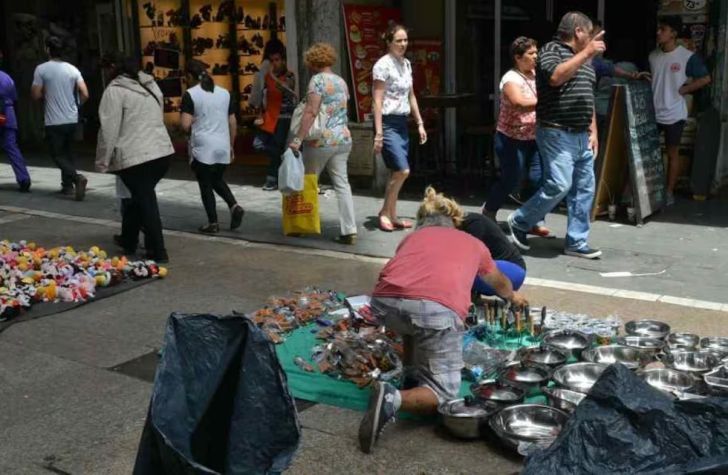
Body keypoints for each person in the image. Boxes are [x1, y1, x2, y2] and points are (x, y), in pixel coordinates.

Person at [358, 187, 527, 454]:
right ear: (455, 221)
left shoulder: (412, 239)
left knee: (411, 321)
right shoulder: (473, 243)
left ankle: (412, 373)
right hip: (435, 311)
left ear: (422, 221)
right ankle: (392, 398)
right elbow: (498, 282)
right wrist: (513, 297)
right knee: (445, 393)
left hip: (383, 305)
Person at [506, 12, 605, 259]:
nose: (592, 38)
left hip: (582, 135)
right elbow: (555, 77)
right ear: (579, 32)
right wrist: (587, 53)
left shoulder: (584, 60)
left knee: (584, 189)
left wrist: (594, 131)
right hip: (556, 131)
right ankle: (519, 220)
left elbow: (586, 97)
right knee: (560, 184)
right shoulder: (552, 50)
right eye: (590, 32)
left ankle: (576, 241)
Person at [95, 55, 174, 263]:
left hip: (135, 157)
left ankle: (158, 250)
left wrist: (102, 160)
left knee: (145, 200)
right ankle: (129, 240)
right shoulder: (152, 86)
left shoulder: (114, 91)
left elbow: (108, 130)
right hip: (162, 152)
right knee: (139, 197)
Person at [483, 36, 552, 239]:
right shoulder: (510, 79)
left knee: (537, 179)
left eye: (536, 52)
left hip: (535, 136)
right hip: (511, 138)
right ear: (518, 57)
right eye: (531, 53)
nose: (535, 56)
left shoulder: (537, 75)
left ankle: (533, 220)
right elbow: (519, 102)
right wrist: (546, 101)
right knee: (511, 179)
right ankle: (489, 211)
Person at [289, 43, 357, 244]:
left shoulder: (316, 81)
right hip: (343, 139)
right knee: (342, 184)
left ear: (312, 62)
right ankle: (349, 230)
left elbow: (311, 111)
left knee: (309, 181)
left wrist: (298, 139)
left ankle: (302, 225)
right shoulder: (341, 82)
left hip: (320, 141)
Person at [649, 16, 711, 206]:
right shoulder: (653, 56)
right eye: (659, 29)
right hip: (653, 112)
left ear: (674, 33)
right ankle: (648, 191)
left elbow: (705, 78)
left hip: (675, 113)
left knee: (672, 152)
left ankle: (668, 192)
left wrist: (684, 89)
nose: (659, 32)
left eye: (663, 29)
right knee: (649, 153)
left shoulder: (687, 56)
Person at [372, 24, 427, 232]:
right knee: (403, 170)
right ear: (389, 42)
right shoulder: (382, 65)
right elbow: (377, 100)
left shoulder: (406, 64)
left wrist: (419, 122)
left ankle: (392, 214)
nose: (403, 44)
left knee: (398, 171)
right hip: (387, 122)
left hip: (402, 122)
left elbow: (411, 95)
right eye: (399, 40)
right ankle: (385, 212)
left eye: (405, 40)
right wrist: (378, 133)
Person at [180, 60, 245, 234]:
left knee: (206, 185)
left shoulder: (190, 94)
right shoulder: (224, 93)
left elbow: (185, 125)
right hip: (222, 145)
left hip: (202, 148)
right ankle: (234, 206)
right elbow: (232, 122)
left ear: (190, 76)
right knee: (216, 179)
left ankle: (213, 222)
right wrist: (231, 145)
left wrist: (193, 120)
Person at [31, 36, 89, 200]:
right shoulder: (72, 69)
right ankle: (67, 186)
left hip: (54, 120)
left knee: (57, 154)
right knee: (68, 152)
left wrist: (46, 94)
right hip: (72, 118)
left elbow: (35, 94)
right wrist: (76, 106)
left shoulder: (41, 69)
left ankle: (76, 178)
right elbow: (85, 93)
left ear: (48, 49)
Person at [258, 38, 297, 191]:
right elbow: (263, 95)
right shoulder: (267, 76)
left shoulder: (289, 75)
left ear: (283, 60)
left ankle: (273, 178)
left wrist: (272, 76)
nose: (275, 63)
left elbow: (285, 88)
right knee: (260, 144)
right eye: (272, 60)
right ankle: (276, 170)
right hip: (271, 116)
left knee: (277, 145)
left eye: (277, 60)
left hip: (284, 117)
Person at [460, 213, 526, 296]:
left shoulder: (473, 223)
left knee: (454, 271)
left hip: (511, 271)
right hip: (505, 271)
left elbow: (471, 260)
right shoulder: (464, 223)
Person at [0, 67, 31, 192]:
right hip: (8, 114)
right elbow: (14, 98)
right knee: (12, 147)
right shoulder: (7, 77)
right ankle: (24, 178)